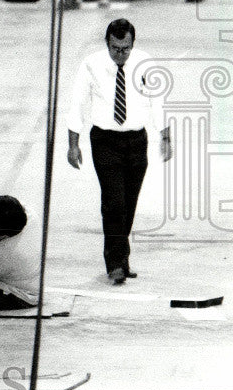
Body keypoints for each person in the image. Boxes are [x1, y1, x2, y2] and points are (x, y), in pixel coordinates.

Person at [66, 19, 172, 284]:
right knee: (114, 202)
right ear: (107, 43)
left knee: (129, 203)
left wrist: (165, 136)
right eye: (115, 48)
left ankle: (121, 259)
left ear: (133, 44)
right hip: (105, 141)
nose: (120, 54)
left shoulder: (145, 63)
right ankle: (114, 264)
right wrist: (73, 144)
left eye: (125, 48)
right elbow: (78, 103)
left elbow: (158, 101)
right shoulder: (91, 65)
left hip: (137, 141)